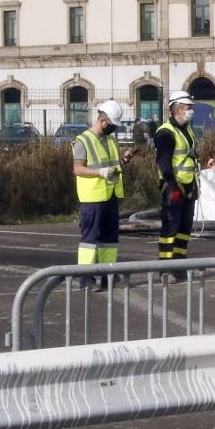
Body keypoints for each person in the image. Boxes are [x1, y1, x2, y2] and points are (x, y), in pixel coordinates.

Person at [71, 100, 134, 290]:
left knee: (109, 240)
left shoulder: (109, 140)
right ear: (104, 121)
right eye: (113, 125)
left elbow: (111, 165)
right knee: (90, 241)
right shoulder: (83, 140)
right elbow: (78, 168)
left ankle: (109, 276)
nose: (113, 129)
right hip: (92, 199)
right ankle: (85, 280)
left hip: (110, 196)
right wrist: (100, 172)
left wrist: (123, 160)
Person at [155, 90, 214, 282]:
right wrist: (173, 187)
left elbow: (188, 155)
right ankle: (165, 267)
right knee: (170, 229)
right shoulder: (165, 133)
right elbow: (164, 163)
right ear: (178, 109)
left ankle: (179, 264)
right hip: (173, 187)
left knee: (184, 228)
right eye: (188, 108)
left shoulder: (186, 128)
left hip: (188, 186)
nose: (191, 111)